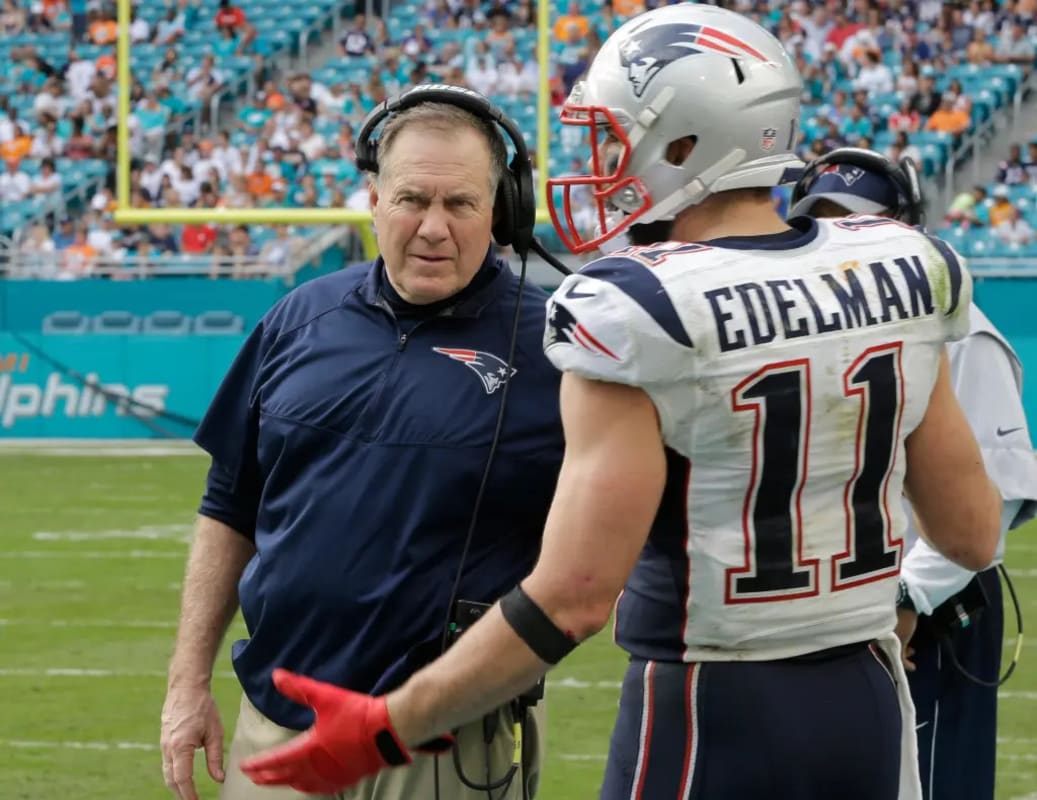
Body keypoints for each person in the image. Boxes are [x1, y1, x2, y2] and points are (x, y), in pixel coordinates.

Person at [239, 7, 1002, 800]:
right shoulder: (901, 264)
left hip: (710, 709)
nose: (600, 163)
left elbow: (570, 599)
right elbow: (970, 533)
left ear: (686, 143)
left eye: (616, 137)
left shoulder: (636, 302)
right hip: (864, 699)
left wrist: (384, 726)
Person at [160, 94, 565, 800]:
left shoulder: (556, 345)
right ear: (373, 199)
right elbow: (230, 503)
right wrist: (187, 683)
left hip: (439, 745)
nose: (433, 228)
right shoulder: (299, 315)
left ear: (500, 212)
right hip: (276, 730)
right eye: (411, 199)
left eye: (460, 204)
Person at [788, 146, 1037, 800]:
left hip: (926, 607)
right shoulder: (805, 332)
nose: (837, 239)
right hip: (835, 604)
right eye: (821, 222)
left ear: (906, 227)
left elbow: (996, 497)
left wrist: (903, 598)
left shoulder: (961, 335)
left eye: (857, 221)